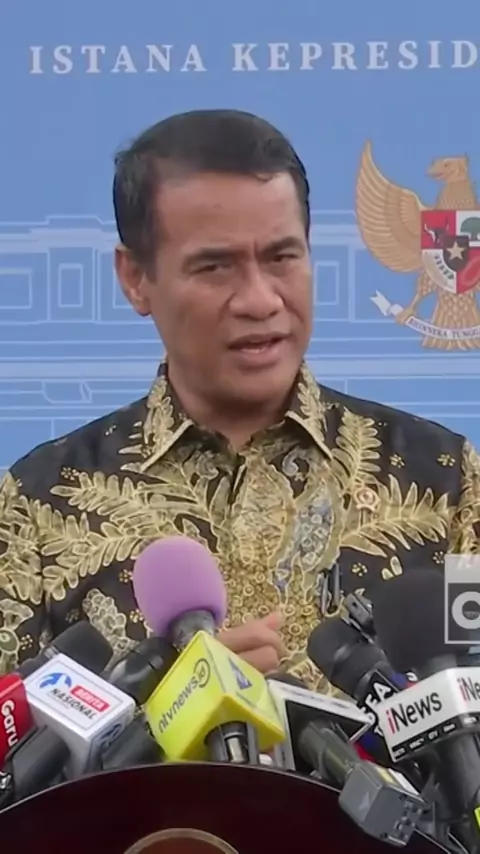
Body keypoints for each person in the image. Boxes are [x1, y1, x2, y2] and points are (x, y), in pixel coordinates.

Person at [0, 109, 479, 689]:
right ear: (135, 278)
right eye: (215, 266)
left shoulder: (446, 483)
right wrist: (163, 708)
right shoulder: (38, 506)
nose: (259, 300)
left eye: (281, 257)